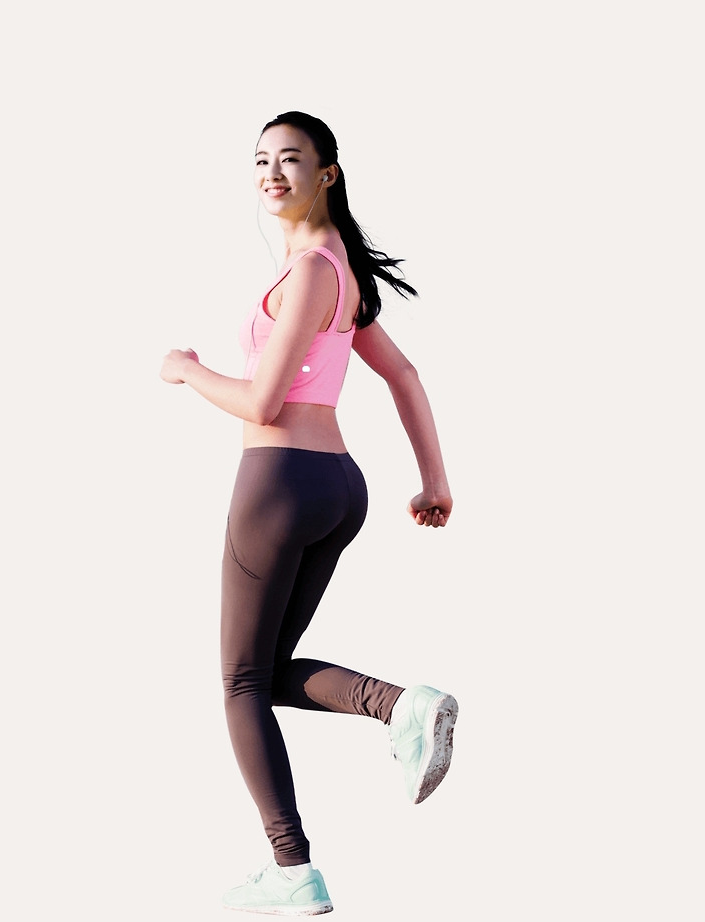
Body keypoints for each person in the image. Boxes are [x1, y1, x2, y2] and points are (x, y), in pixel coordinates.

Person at [160, 111, 458, 916]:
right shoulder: (339, 271)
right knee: (262, 676)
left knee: (239, 683)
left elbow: (262, 401)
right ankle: (397, 707)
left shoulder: (312, 272)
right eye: (260, 159)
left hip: (280, 482)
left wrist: (186, 371)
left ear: (327, 173)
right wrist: (433, 483)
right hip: (336, 486)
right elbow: (403, 373)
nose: (271, 172)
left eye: (290, 159)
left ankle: (293, 868)